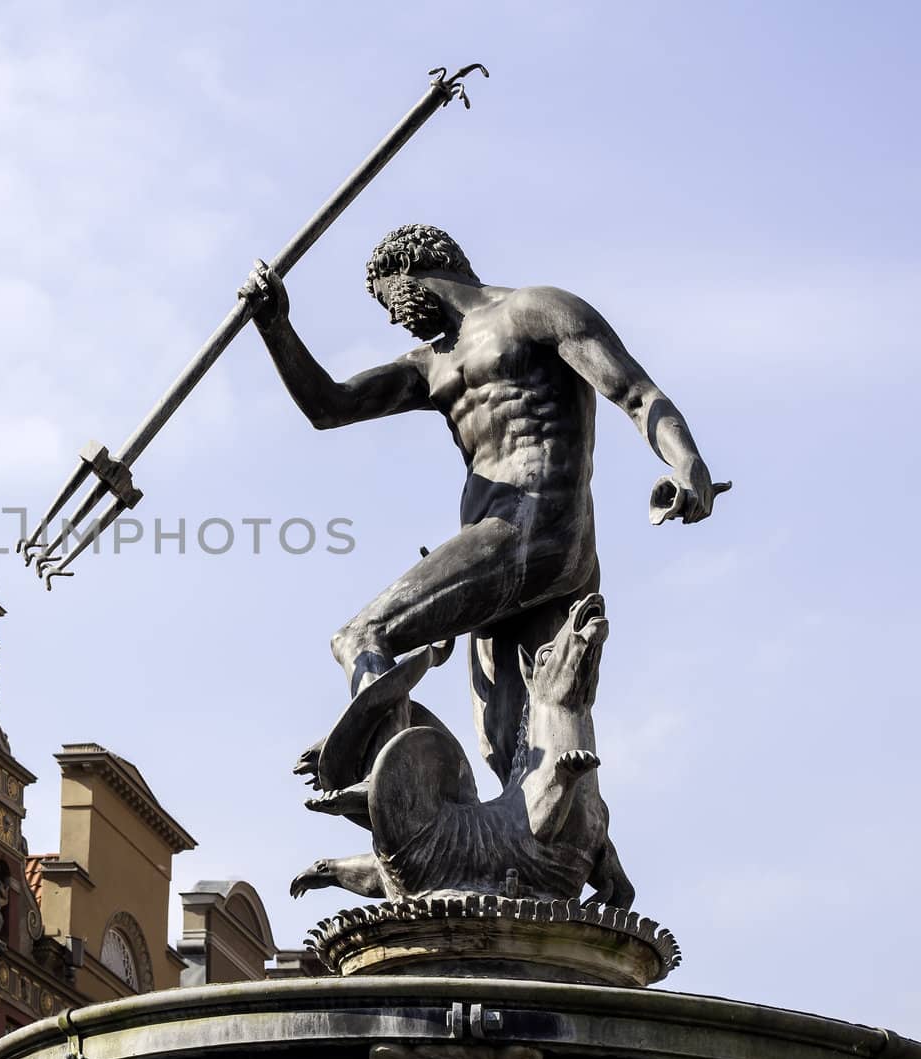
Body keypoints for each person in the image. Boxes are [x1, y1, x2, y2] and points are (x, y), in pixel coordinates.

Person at [240, 224, 718, 778]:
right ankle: (530, 854)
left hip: (537, 526)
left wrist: (687, 464)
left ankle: (393, 775)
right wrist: (276, 327)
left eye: (386, 299)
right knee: (513, 753)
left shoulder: (535, 310)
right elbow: (330, 406)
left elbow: (636, 393)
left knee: (360, 636)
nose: (392, 318)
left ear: (411, 271)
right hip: (501, 549)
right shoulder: (431, 365)